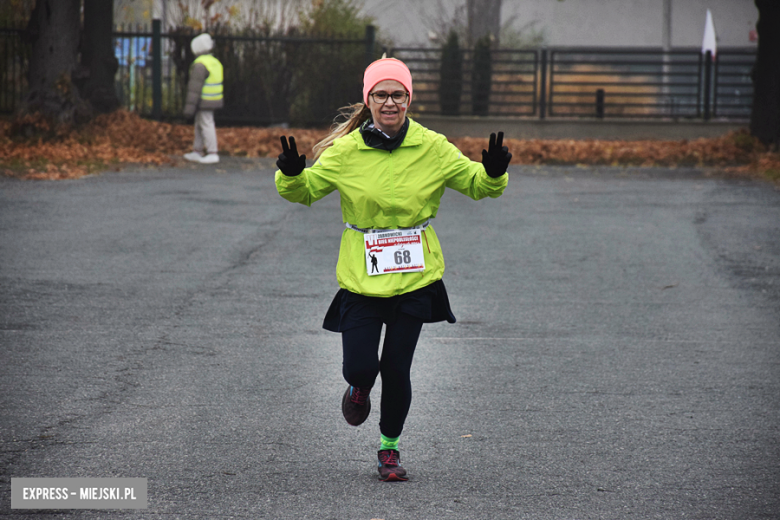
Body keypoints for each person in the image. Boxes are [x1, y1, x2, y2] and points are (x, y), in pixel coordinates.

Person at [274, 57, 511, 482]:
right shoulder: (346, 152)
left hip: (416, 278)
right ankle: (358, 388)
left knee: (398, 368)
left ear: (408, 99)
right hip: (362, 279)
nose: (390, 102)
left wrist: (493, 173)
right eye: (381, 94)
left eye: (398, 94)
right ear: (368, 101)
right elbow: (306, 191)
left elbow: (477, 184)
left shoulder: (432, 146)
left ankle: (389, 449)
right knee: (362, 367)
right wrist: (292, 176)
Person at [183, 33, 223, 164]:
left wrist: (189, 108)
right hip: (214, 98)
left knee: (206, 123)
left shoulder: (200, 64)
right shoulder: (214, 62)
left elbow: (194, 89)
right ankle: (197, 150)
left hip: (204, 100)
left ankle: (212, 152)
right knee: (200, 124)